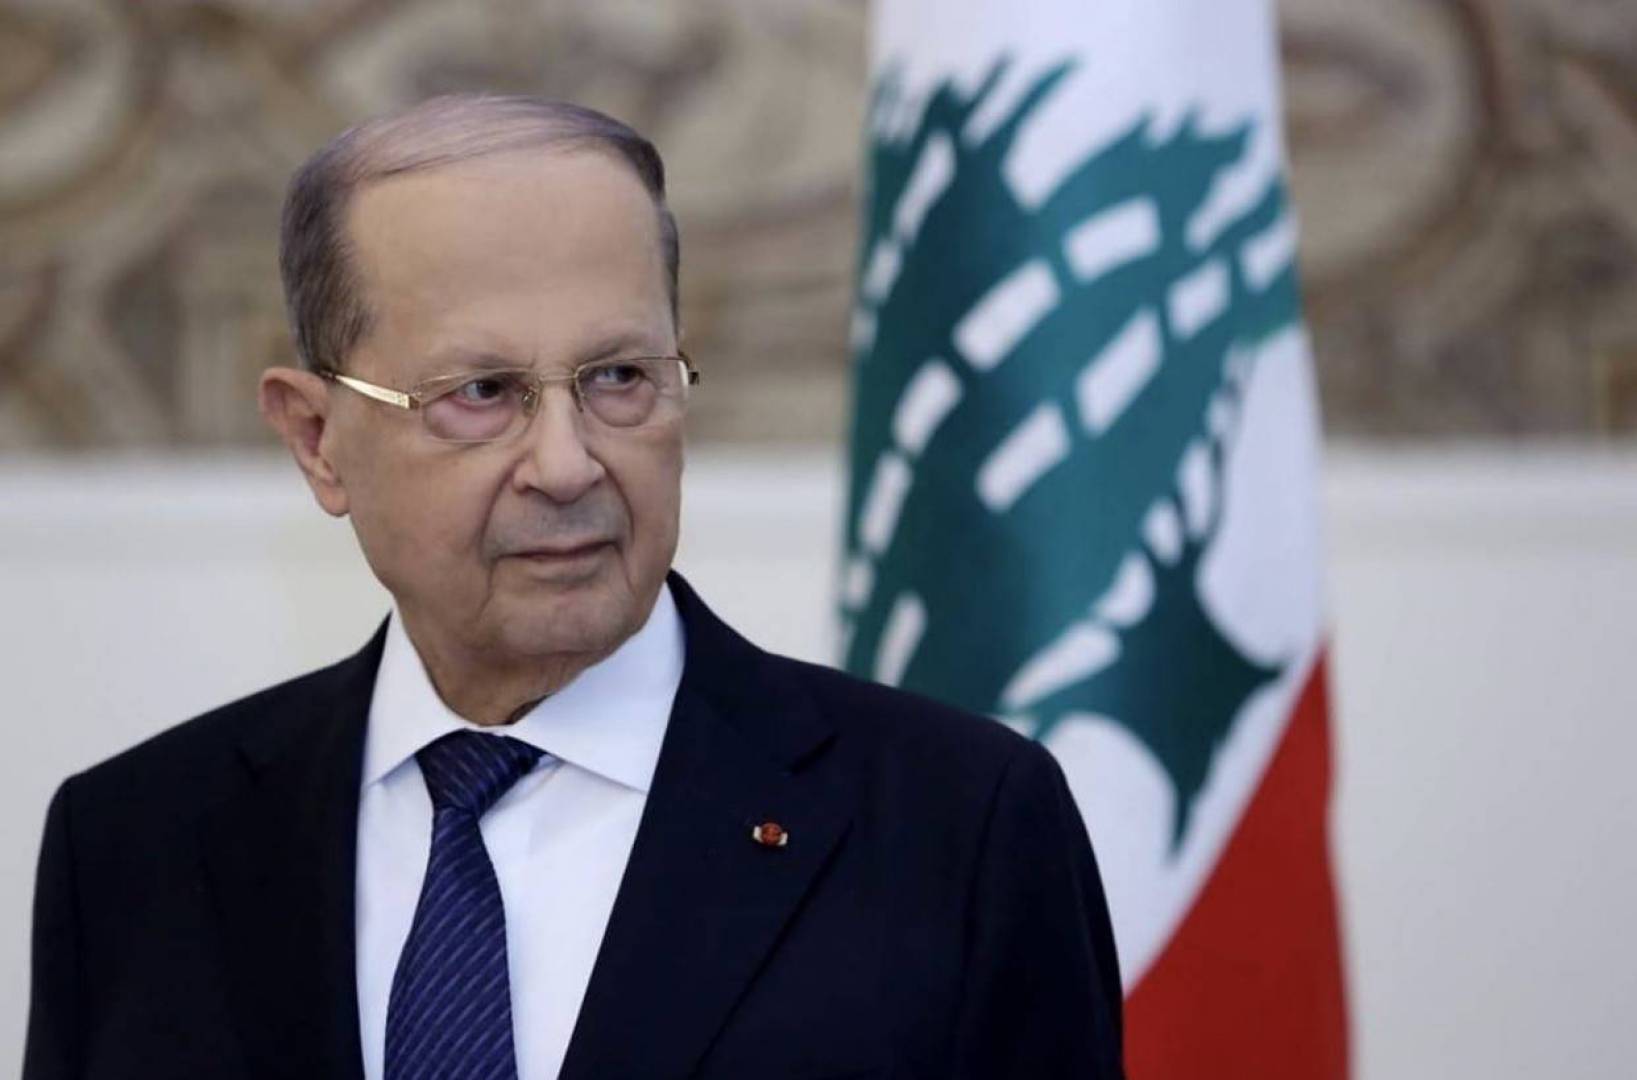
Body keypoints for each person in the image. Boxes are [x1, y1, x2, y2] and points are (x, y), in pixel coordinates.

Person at [23, 94, 1124, 1080]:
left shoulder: (956, 825)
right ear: (317, 439)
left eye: (617, 377)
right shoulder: (133, 845)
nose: (565, 465)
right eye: (481, 392)